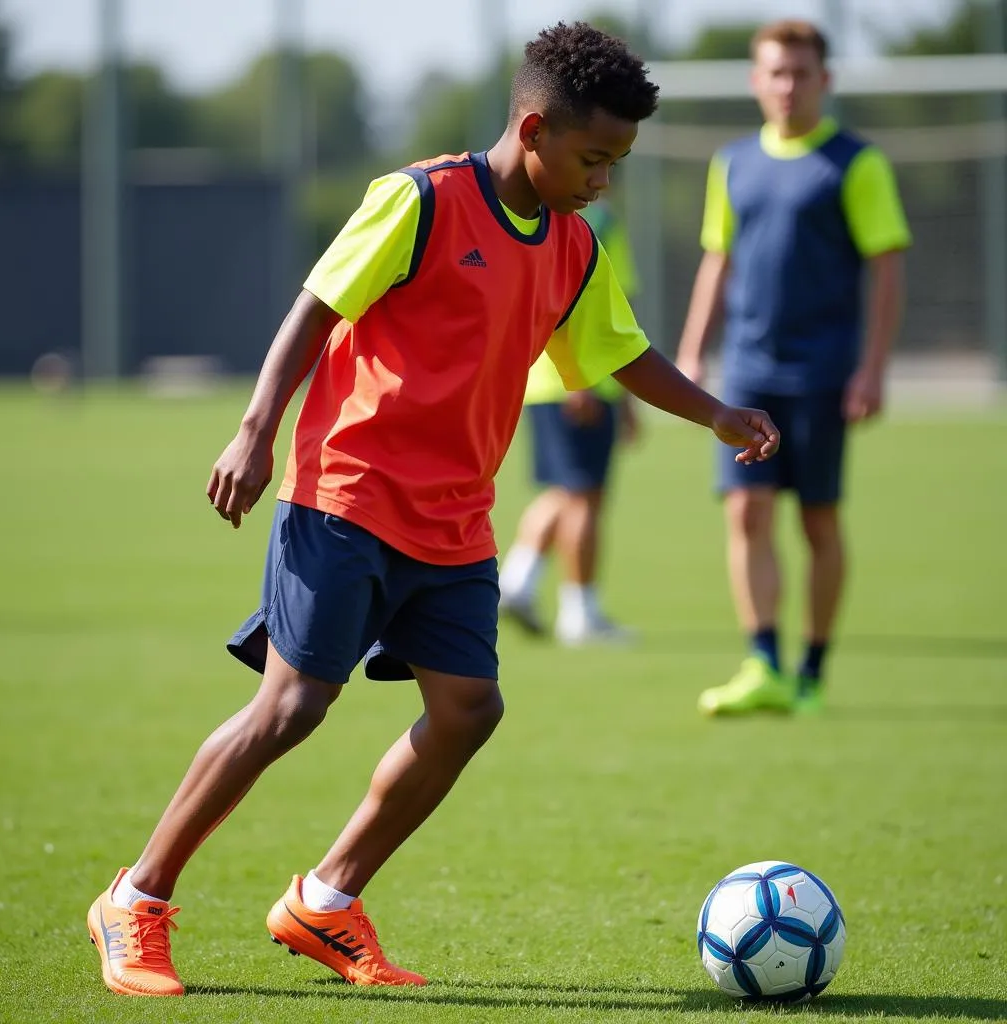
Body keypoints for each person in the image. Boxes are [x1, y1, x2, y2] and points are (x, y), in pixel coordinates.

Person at [86, 21, 780, 998]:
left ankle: (325, 902)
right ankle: (136, 898)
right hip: (347, 494)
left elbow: (619, 352)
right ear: (532, 129)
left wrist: (712, 411)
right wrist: (254, 430)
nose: (603, 180)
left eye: (618, 162)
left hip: (455, 520)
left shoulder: (573, 246)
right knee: (291, 707)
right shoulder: (418, 200)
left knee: (467, 708)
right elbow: (316, 307)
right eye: (593, 158)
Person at [674, 19, 911, 717]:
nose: (787, 85)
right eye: (775, 72)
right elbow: (717, 260)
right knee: (746, 512)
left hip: (824, 372)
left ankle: (811, 671)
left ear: (824, 81)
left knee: (817, 524)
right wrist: (692, 351)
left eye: (800, 73)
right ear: (755, 81)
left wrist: (872, 368)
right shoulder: (732, 162)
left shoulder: (856, 163)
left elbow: (888, 268)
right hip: (749, 369)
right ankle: (763, 662)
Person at [498, 200, 641, 645]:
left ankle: (519, 583)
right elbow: (596, 306)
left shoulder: (534, 216)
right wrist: (584, 382)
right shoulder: (594, 223)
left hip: (546, 381)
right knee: (583, 497)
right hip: (579, 381)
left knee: (568, 492)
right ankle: (578, 612)